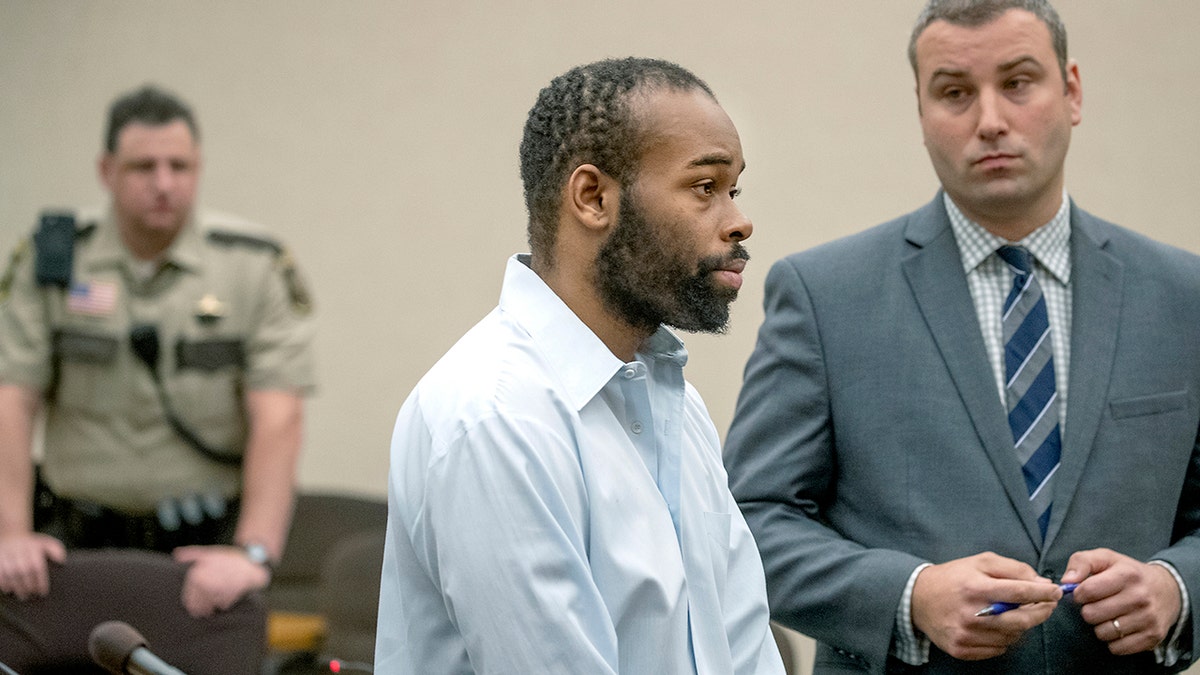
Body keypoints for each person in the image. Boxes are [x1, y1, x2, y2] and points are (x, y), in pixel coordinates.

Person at [724, 1, 1200, 672]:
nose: (990, 120)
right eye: (954, 92)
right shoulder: (824, 295)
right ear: (920, 112)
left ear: (1072, 92)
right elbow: (748, 522)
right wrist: (909, 597)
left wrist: (1179, 588)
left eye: (1018, 82)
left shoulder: (1184, 296)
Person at [374, 57, 784, 674]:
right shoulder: (495, 415)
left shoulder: (674, 399)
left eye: (735, 190)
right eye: (705, 187)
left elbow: (743, 646)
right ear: (593, 198)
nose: (738, 220)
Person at [0, 85, 315, 617]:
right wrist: (11, 534)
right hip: (72, 546)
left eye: (180, 166)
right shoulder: (54, 259)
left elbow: (279, 415)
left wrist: (252, 552)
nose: (164, 184)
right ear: (107, 172)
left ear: (199, 168)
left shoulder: (251, 266)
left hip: (204, 550)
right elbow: (13, 397)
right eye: (143, 167)